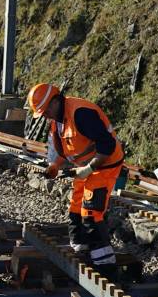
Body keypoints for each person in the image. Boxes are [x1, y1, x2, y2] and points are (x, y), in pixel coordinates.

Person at [28, 83, 125, 278]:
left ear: (56, 100)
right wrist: (55, 166)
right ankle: (81, 249)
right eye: (42, 112)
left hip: (103, 165)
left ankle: (105, 268)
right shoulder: (57, 120)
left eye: (46, 110)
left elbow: (107, 144)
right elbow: (67, 151)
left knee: (91, 212)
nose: (45, 115)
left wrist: (89, 168)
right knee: (75, 207)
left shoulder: (81, 113)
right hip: (84, 168)